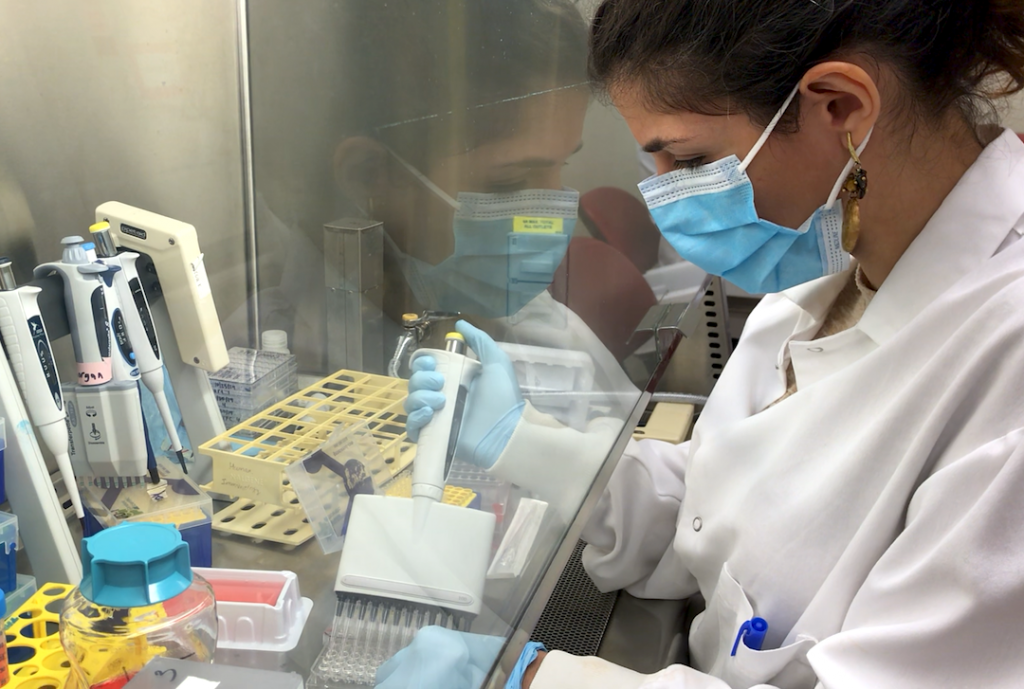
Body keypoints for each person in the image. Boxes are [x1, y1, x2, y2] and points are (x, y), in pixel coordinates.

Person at [391, 0, 1024, 687]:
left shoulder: (1004, 361)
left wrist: (536, 678)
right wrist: (524, 439)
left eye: (689, 160)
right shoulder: (829, 264)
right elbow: (712, 508)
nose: (665, 195)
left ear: (840, 106)